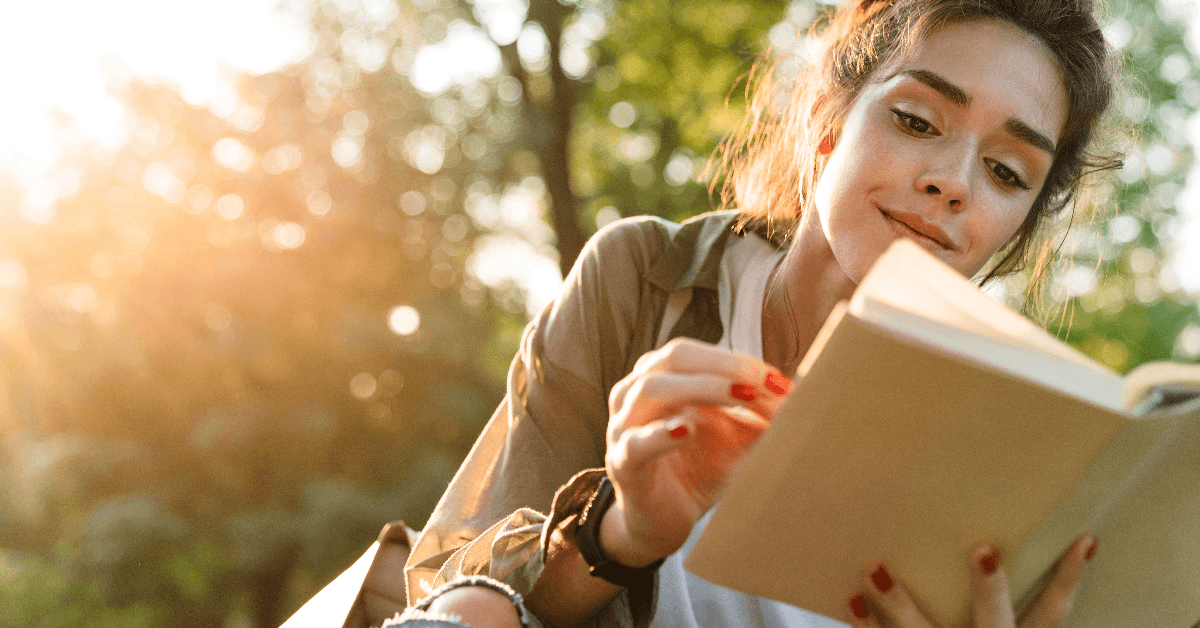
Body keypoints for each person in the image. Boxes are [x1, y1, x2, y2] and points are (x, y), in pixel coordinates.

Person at [385, 1, 1122, 627]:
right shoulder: (643, 281)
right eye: (917, 121)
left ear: (1015, 230)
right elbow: (451, 591)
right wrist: (620, 535)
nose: (952, 183)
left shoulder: (1004, 446)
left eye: (1005, 172)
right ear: (828, 125)